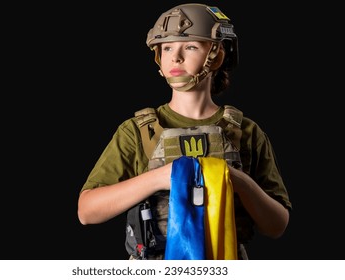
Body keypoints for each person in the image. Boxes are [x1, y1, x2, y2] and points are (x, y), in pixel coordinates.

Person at [77, 3, 292, 260]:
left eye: (190, 47)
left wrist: (239, 181)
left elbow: (277, 225)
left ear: (217, 56)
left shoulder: (246, 131)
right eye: (166, 48)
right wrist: (160, 177)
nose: (175, 58)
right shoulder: (136, 131)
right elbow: (87, 212)